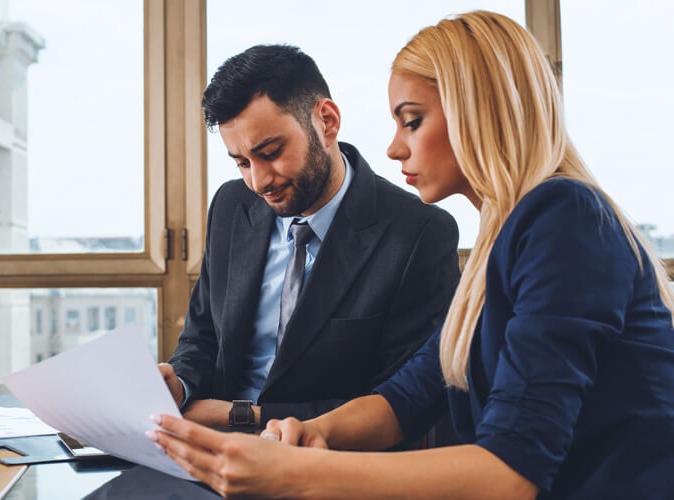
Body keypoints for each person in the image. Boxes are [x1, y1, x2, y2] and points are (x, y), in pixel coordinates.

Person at [148, 11, 674, 498]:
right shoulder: (506, 238)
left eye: (412, 120)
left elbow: (511, 473)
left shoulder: (565, 217)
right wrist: (308, 433)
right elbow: (406, 398)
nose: (395, 148)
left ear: (479, 112)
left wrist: (293, 472)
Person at [158, 44, 460, 429]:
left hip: (331, 465)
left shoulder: (419, 232)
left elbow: (401, 403)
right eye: (242, 163)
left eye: (271, 152)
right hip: (211, 448)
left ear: (327, 121)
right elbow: (201, 340)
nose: (258, 181)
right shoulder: (231, 206)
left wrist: (244, 418)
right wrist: (179, 384)